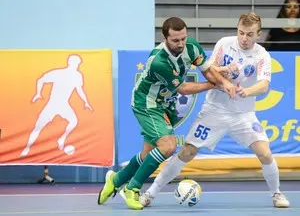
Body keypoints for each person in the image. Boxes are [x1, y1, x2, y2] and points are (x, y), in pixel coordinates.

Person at [140, 12, 290, 208]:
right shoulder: (224, 43)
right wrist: (224, 74)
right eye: (241, 33)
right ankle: (149, 194)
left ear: (258, 35)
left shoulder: (262, 55)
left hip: (243, 115)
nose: (244, 38)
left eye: (250, 34)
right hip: (214, 110)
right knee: (187, 151)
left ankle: (277, 194)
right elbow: (210, 69)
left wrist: (246, 91)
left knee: (265, 153)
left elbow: (264, 86)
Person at [97, 17, 236, 210]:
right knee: (168, 146)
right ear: (164, 38)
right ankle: (132, 188)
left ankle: (116, 179)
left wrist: (224, 82)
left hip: (165, 103)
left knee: (148, 154)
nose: (180, 44)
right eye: (175, 40)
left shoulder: (192, 46)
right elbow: (184, 88)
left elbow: (207, 70)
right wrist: (215, 84)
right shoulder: (158, 61)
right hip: (147, 103)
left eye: (183, 39)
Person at [21, 54, 93, 156]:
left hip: (64, 105)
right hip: (52, 104)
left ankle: (62, 138)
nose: (77, 65)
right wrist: (38, 93)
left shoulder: (78, 76)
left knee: (74, 121)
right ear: (70, 62)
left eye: (78, 63)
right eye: (76, 62)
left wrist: (86, 102)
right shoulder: (59, 73)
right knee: (38, 127)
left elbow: (79, 90)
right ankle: (27, 148)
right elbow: (41, 80)